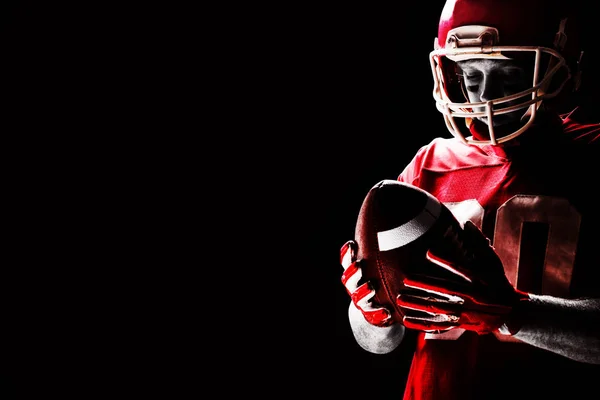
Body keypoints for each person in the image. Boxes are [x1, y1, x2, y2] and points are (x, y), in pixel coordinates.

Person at [338, 0, 600, 399]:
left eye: (509, 74)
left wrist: (516, 313)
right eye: (470, 74)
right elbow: (378, 342)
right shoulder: (429, 164)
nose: (485, 95)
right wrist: (370, 310)